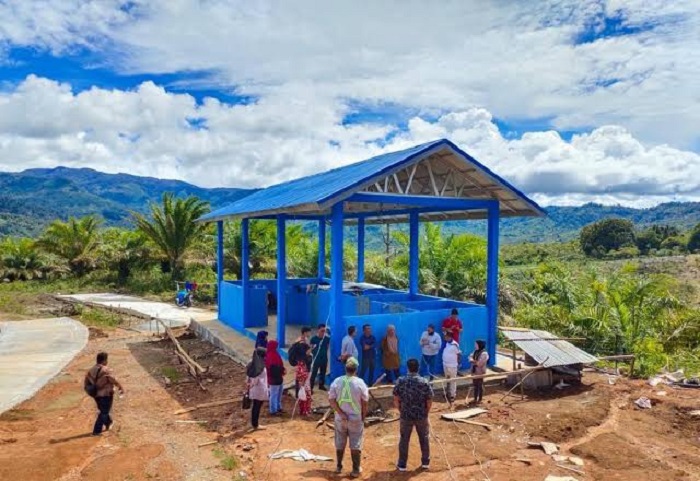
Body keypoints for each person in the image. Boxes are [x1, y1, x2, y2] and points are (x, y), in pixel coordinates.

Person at [328, 357, 369, 478]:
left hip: (341, 418)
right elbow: (365, 402)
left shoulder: (337, 381)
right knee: (356, 442)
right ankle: (356, 470)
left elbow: (331, 399)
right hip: (356, 418)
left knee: (340, 441)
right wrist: (363, 416)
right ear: (356, 369)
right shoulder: (360, 383)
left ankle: (339, 466)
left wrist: (340, 413)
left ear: (345, 368)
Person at [393, 358, 434, 471]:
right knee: (424, 438)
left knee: (404, 439)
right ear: (418, 368)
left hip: (406, 415)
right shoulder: (424, 382)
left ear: (407, 368)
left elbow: (396, 399)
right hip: (421, 415)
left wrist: (401, 410)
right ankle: (425, 462)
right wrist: (426, 412)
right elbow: (429, 400)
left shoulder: (401, 381)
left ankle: (402, 465)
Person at [86, 351, 124, 436]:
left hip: (95, 395)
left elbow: (88, 382)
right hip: (106, 394)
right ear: (104, 360)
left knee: (103, 410)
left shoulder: (91, 370)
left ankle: (109, 422)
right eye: (106, 360)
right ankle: (96, 431)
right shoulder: (106, 370)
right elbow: (113, 380)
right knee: (104, 412)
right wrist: (120, 387)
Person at [246, 347, 269, 429]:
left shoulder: (251, 363)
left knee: (255, 406)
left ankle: (254, 423)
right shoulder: (260, 366)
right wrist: (252, 384)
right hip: (259, 389)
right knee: (257, 407)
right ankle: (255, 424)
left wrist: (249, 384)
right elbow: (256, 379)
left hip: (254, 390)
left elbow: (248, 376)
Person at [293, 327, 313, 415]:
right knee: (305, 391)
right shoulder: (301, 344)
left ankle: (304, 410)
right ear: (305, 333)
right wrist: (309, 351)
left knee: (304, 391)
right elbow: (305, 354)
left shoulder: (300, 341)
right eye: (309, 332)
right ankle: (305, 410)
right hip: (304, 372)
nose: (310, 334)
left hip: (304, 370)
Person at [265, 340, 286, 415]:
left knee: (279, 393)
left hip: (279, 377)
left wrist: (282, 370)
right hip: (273, 378)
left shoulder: (275, 354)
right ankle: (273, 410)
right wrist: (281, 370)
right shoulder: (270, 356)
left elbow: (280, 364)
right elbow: (271, 368)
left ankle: (278, 407)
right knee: (274, 395)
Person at [442, 332, 462, 403]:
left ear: (449, 337)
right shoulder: (447, 343)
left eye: (446, 336)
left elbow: (459, 354)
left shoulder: (455, 344)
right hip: (445, 364)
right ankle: (448, 393)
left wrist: (459, 363)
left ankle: (453, 395)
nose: (445, 338)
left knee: (453, 380)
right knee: (447, 380)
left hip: (452, 366)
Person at [310, 324, 330, 392]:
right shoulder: (313, 339)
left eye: (324, 331)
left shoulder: (326, 339)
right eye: (322, 331)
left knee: (323, 373)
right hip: (316, 359)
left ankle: (321, 385)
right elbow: (311, 349)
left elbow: (327, 347)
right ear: (318, 330)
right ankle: (311, 387)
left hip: (324, 359)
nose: (323, 333)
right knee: (314, 373)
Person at [469, 339, 489, 404]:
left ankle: (480, 399)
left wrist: (473, 361)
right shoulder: (475, 351)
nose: (475, 346)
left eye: (476, 344)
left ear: (480, 345)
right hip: (474, 371)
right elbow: (470, 357)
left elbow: (479, 363)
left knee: (480, 385)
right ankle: (475, 398)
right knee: (475, 385)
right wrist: (474, 361)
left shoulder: (484, 353)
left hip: (480, 371)